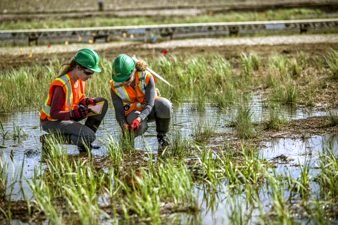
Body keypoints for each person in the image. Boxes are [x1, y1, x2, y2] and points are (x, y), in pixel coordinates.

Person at [40, 48, 108, 152]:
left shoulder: (80, 80)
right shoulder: (62, 84)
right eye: (88, 73)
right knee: (90, 136)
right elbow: (54, 113)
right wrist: (72, 114)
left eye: (92, 74)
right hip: (51, 122)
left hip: (69, 116)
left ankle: (83, 141)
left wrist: (86, 101)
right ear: (78, 67)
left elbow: (78, 99)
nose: (90, 77)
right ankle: (50, 140)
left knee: (102, 103)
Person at [110, 54, 172, 150]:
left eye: (127, 79)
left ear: (134, 71)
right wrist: (123, 124)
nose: (124, 83)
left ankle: (162, 137)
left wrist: (140, 118)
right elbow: (119, 112)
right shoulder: (114, 87)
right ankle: (128, 141)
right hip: (132, 114)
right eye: (120, 80)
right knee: (141, 126)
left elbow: (150, 104)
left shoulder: (146, 77)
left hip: (149, 109)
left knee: (165, 105)